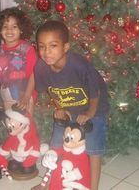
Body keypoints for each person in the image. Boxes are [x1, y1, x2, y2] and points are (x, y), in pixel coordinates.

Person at [34, 20, 110, 190]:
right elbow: (48, 92)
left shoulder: (79, 65)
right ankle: (47, 183)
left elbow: (95, 91)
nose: (47, 52)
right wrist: (59, 108)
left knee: (93, 148)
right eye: (42, 46)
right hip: (68, 109)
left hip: (94, 107)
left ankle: (94, 187)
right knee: (55, 144)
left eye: (53, 46)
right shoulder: (40, 68)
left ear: (66, 47)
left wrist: (90, 113)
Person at [0, 7, 37, 116]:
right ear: (0, 30)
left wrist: (27, 96)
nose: (9, 30)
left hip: (24, 99)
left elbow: (34, 74)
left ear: (21, 29)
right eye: (5, 26)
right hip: (7, 99)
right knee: (12, 128)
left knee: (25, 128)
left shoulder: (28, 49)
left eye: (14, 26)